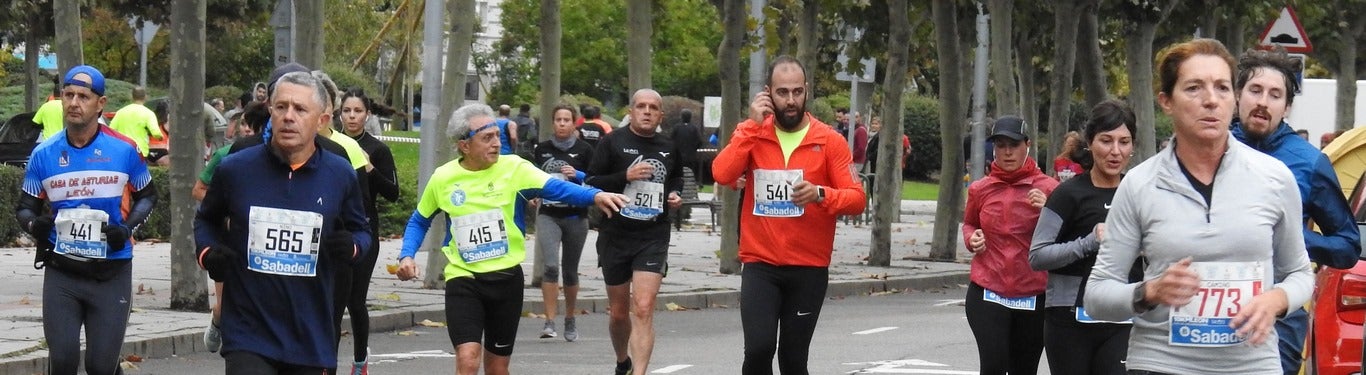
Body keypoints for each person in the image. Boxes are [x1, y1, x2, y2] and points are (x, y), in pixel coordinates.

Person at [1084, 38, 1314, 375]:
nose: (1211, 100)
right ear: (1166, 101)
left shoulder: (1274, 178)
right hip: (1161, 363)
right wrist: (1150, 291)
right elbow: (1097, 294)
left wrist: (1275, 300)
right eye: (1194, 88)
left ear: (1234, 100)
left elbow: (1300, 274)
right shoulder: (1139, 184)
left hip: (1252, 365)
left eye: (1222, 88)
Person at [395, 103, 627, 375]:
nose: (497, 143)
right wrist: (407, 254)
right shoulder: (444, 177)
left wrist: (595, 195)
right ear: (464, 145)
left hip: (506, 282)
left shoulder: (514, 168)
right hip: (464, 279)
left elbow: (557, 189)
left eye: (497, 135)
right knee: (468, 359)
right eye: (487, 138)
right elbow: (420, 219)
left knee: (497, 368)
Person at [194, 70, 372, 374]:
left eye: (300, 109)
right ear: (270, 112)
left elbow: (363, 231)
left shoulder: (339, 173)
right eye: (281, 107)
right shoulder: (236, 169)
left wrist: (352, 247)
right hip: (249, 329)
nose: (289, 116)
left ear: (321, 120)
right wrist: (208, 253)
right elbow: (206, 219)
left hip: (310, 332)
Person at [713, 55, 867, 375]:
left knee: (793, 360)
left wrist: (821, 194)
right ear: (768, 93)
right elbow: (722, 173)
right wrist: (751, 127)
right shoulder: (753, 133)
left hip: (808, 268)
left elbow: (856, 199)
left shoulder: (829, 140)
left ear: (807, 90)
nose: (791, 100)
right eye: (783, 92)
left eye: (797, 91)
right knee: (759, 348)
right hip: (760, 263)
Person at [17, 64, 158, 375]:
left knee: (100, 366)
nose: (74, 103)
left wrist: (126, 228)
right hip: (62, 273)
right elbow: (24, 208)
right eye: (68, 95)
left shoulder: (124, 150)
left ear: (100, 104)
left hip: (111, 272)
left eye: (83, 96)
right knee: (64, 361)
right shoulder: (44, 154)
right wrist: (34, 226)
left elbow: (148, 196)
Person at [1229, 47, 1361, 375]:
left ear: (1286, 107)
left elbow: (1348, 247)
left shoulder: (1309, 162)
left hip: (1280, 317)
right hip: (1211, 311)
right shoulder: (1212, 148)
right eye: (1255, 90)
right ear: (1237, 95)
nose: (1263, 101)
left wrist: (1295, 238)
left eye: (1275, 95)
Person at [1028, 100, 1138, 375]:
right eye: (1106, 141)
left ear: (1132, 146)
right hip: (1070, 319)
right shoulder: (1068, 194)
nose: (1115, 152)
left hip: (1123, 317)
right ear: (1090, 142)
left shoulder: (1139, 192)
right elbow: (1037, 256)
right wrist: (1089, 242)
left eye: (1124, 142)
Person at [586, 89, 682, 375]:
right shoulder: (612, 142)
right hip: (616, 234)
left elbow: (675, 176)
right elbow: (591, 181)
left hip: (652, 235)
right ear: (631, 111)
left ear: (661, 115)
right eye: (641, 106)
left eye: (653, 107)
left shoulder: (668, 145)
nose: (647, 111)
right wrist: (623, 177)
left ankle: (638, 372)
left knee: (642, 307)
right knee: (618, 313)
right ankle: (622, 361)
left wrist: (675, 194)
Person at [962, 115, 1057, 375]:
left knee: (1024, 369)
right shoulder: (980, 189)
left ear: (1027, 145)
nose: (1006, 152)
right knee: (993, 365)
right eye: (1000, 145)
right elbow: (969, 223)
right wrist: (972, 239)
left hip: (1033, 293)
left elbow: (1065, 236)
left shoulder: (1050, 188)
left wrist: (1048, 210)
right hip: (988, 289)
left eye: (1013, 145)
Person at [339, 88, 400, 374]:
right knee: (330, 300)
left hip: (364, 228)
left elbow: (393, 193)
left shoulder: (377, 148)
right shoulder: (329, 144)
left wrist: (371, 169)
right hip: (332, 230)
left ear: (368, 114)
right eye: (347, 111)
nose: (352, 116)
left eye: (358, 111)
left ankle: (360, 361)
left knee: (354, 300)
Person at [532, 104, 596, 342]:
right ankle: (549, 321)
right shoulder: (542, 150)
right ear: (552, 123)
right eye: (558, 119)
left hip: (576, 217)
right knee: (550, 267)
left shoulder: (585, 150)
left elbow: (595, 180)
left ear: (573, 123)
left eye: (566, 120)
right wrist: (534, 193)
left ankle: (570, 318)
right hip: (549, 214)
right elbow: (533, 177)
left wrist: (577, 176)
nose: (561, 123)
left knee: (570, 271)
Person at [108, 86, 165, 158]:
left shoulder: (121, 112)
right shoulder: (148, 113)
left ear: (131, 97)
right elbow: (156, 133)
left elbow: (110, 130)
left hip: (123, 150)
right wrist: (160, 137)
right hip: (140, 150)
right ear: (145, 97)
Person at [671, 108, 703, 175]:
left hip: (678, 156)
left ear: (681, 117)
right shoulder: (694, 128)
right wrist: (693, 148)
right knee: (690, 174)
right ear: (690, 117)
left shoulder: (676, 128)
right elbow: (700, 141)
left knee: (678, 173)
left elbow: (671, 140)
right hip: (691, 156)